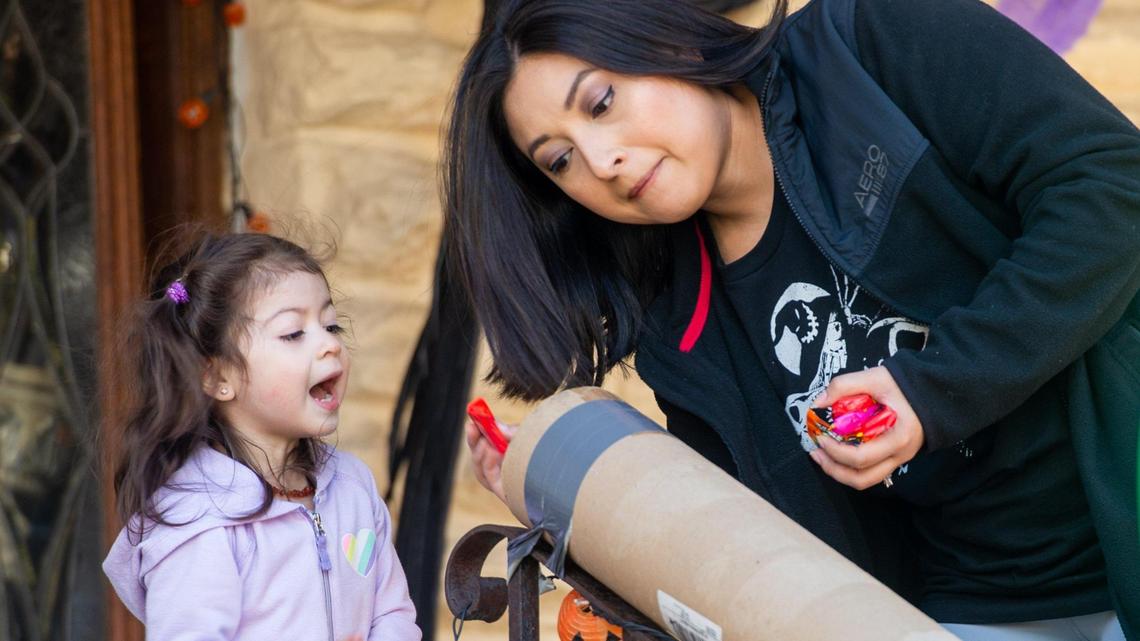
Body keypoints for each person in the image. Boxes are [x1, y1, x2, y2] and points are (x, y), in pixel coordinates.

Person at [445, 0, 1140, 639]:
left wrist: (932, 389)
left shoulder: (872, 46)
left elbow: (1111, 188)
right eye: (561, 160)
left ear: (670, 37)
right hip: (973, 609)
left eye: (600, 102)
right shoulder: (681, 331)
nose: (602, 161)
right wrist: (574, 498)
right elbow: (765, 550)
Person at [101, 232, 421, 641]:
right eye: (293, 333)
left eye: (331, 325)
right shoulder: (199, 522)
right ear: (217, 376)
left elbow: (392, 611)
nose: (329, 346)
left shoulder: (353, 487)